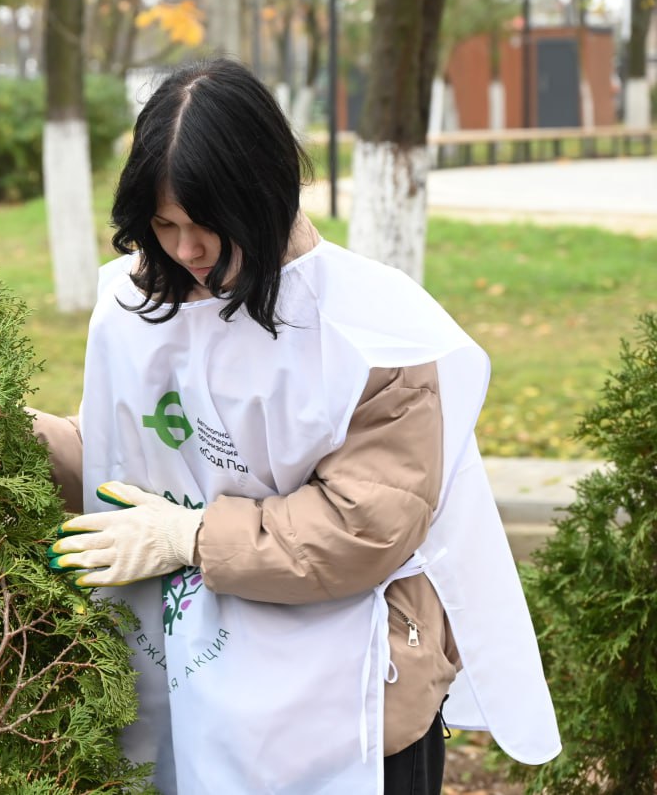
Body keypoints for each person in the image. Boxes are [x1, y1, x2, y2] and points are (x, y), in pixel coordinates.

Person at [32, 58, 560, 794]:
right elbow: (121, 457)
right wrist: (17, 437)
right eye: (164, 224)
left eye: (205, 225)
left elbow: (364, 525)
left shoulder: (375, 333)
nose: (186, 250)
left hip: (350, 707)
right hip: (190, 687)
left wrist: (188, 537)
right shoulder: (141, 303)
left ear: (265, 194)